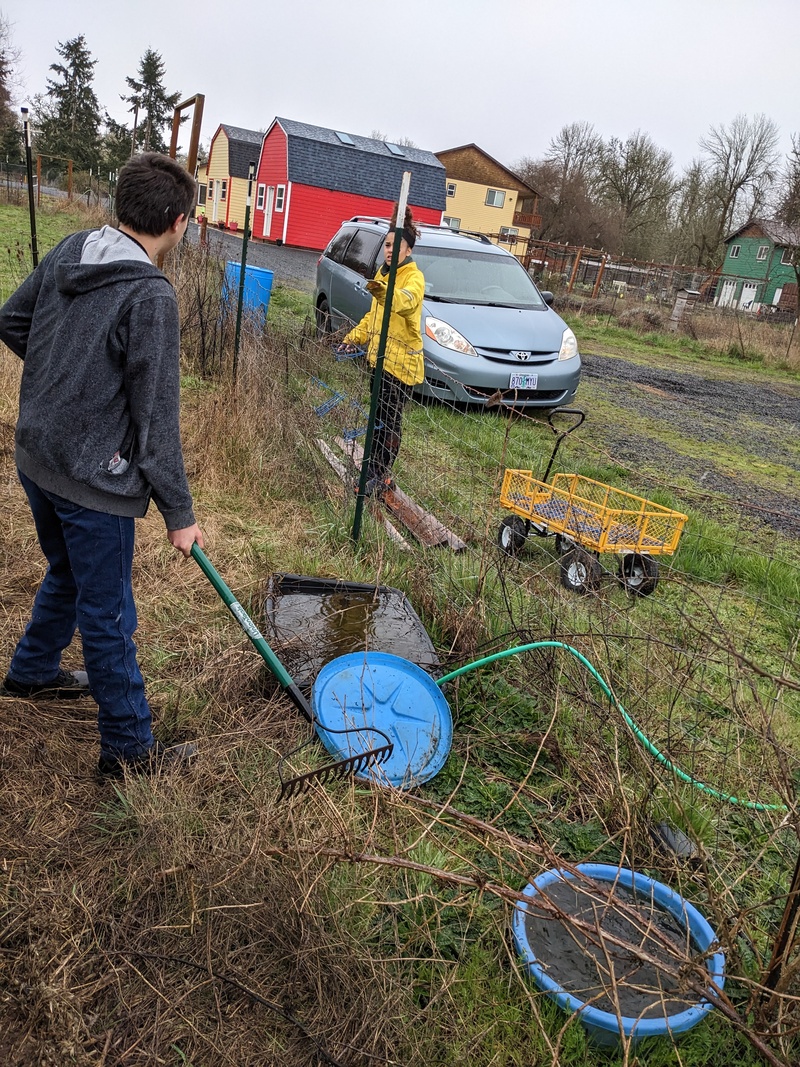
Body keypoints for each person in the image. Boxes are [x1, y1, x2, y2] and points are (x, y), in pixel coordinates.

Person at [0, 152, 204, 779]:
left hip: (37, 457)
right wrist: (180, 513)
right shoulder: (149, 296)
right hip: (93, 481)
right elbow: (155, 422)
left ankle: (31, 671)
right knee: (110, 613)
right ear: (176, 222)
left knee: (66, 569)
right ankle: (129, 752)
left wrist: (62, 384)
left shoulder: (72, 248)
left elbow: (12, 319)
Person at [337, 205, 425, 496]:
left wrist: (384, 292)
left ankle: (380, 473)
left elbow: (405, 301)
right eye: (387, 245)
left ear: (408, 251)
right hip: (379, 361)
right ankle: (373, 468)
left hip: (400, 366)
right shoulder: (383, 276)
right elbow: (373, 319)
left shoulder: (413, 279)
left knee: (389, 422)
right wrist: (353, 338)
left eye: (397, 246)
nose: (390, 250)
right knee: (377, 417)